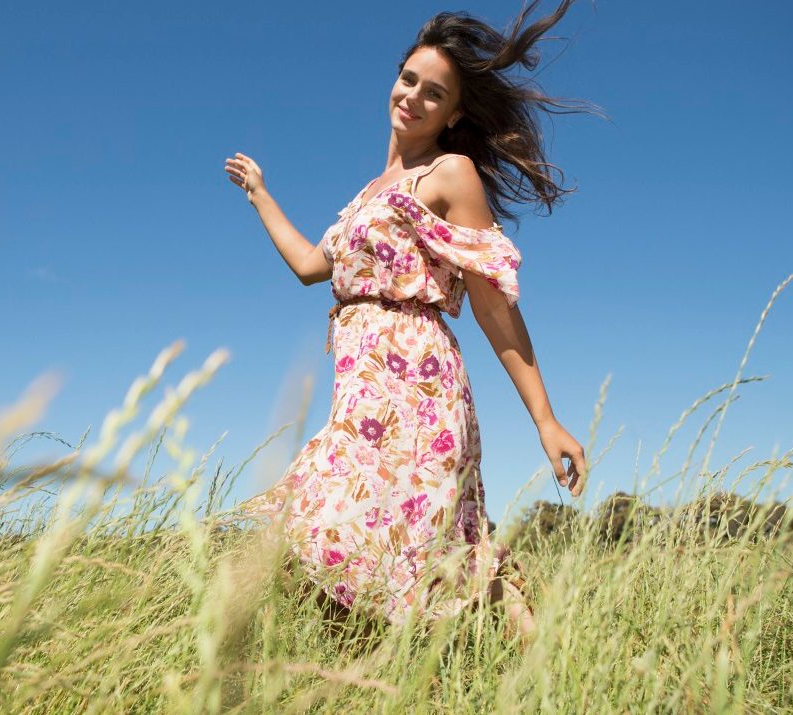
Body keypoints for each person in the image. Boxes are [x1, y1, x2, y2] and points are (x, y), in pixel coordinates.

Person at [223, 4, 592, 646]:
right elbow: (313, 265)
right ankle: (388, 678)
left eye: (435, 93)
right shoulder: (368, 192)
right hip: (361, 393)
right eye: (408, 79)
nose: (413, 97)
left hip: (418, 388)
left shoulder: (450, 173)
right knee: (350, 542)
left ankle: (548, 674)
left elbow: (492, 306)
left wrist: (546, 420)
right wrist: (259, 192)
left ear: (454, 114)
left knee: (375, 534)